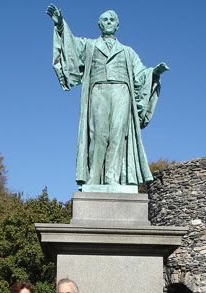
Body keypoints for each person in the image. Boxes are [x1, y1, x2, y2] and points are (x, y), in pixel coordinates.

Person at [46, 4, 168, 188]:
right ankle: (94, 176)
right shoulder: (89, 45)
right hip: (98, 90)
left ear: (117, 25)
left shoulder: (128, 51)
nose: (109, 23)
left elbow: (140, 73)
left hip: (121, 91)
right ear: (99, 25)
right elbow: (70, 46)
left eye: (112, 20)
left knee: (118, 134)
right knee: (98, 134)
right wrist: (61, 25)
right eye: (105, 20)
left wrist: (154, 72)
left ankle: (112, 177)